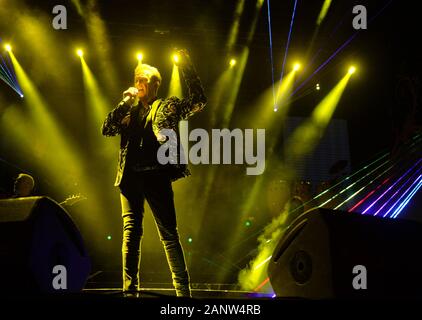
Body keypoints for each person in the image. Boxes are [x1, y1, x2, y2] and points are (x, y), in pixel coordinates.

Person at [101, 49, 206, 297]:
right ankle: (130, 290)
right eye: (136, 80)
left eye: (143, 80)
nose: (138, 84)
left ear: (154, 84)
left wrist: (187, 66)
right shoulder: (128, 111)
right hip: (129, 179)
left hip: (156, 176)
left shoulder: (167, 106)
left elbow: (199, 100)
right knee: (130, 233)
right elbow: (106, 129)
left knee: (169, 235)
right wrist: (124, 101)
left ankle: (183, 294)